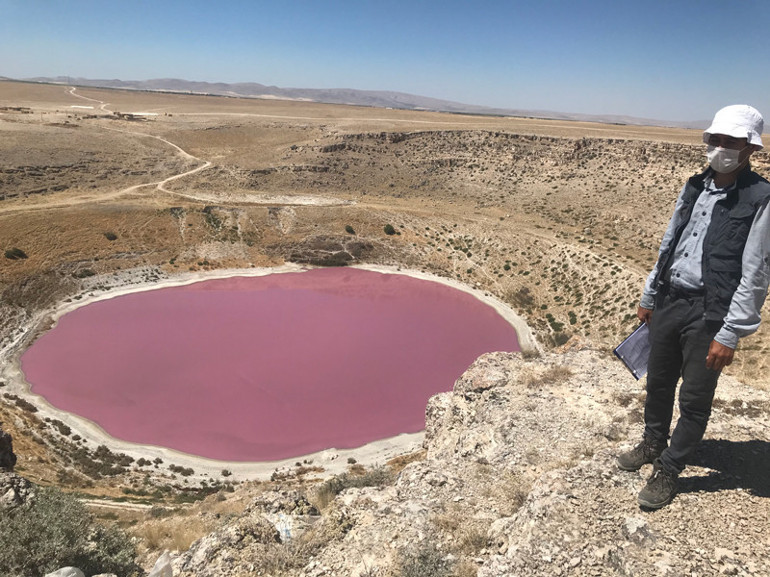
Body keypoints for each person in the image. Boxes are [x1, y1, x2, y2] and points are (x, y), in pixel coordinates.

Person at [617, 104, 770, 509]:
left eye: (731, 142)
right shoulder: (695, 186)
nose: (721, 148)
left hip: (710, 313)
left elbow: (756, 273)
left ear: (749, 148)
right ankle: (652, 441)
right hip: (671, 299)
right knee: (658, 382)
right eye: (716, 140)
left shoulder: (760, 199)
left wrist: (731, 332)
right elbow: (670, 242)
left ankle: (669, 469)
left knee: (695, 399)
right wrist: (651, 294)